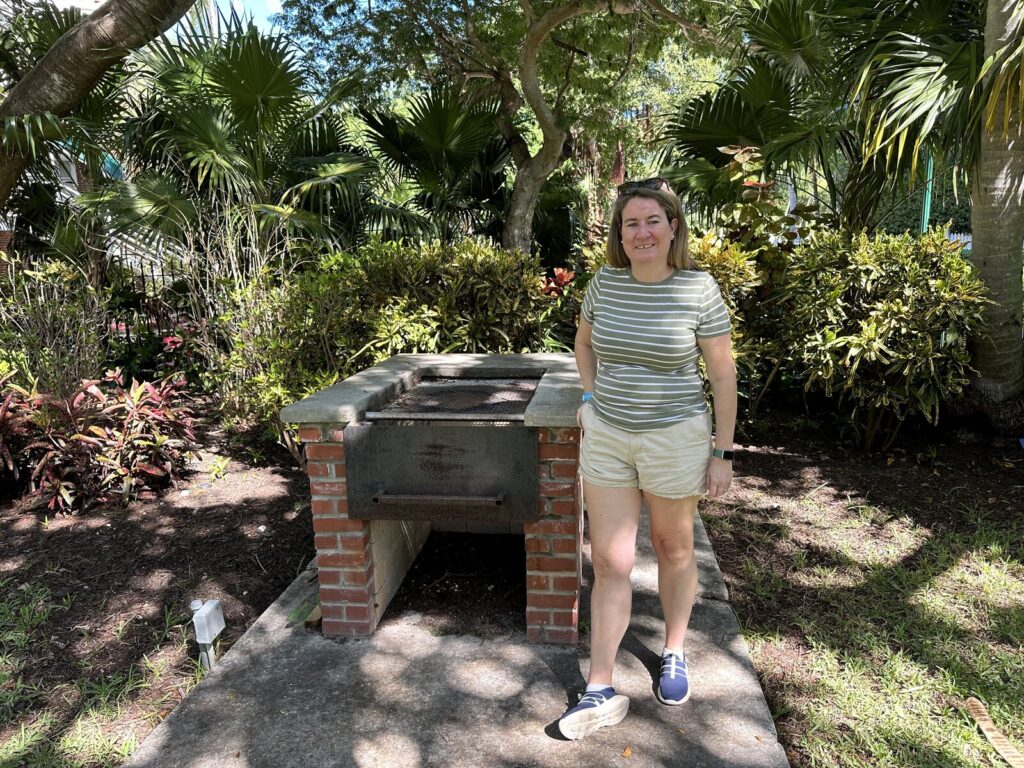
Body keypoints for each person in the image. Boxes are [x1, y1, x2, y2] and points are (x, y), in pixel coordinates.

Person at [558, 178, 737, 740]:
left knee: (672, 547)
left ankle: (674, 650)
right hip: (608, 437)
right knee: (610, 561)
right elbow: (583, 343)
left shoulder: (698, 288)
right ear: (620, 233)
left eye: (652, 221)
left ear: (672, 226)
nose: (642, 232)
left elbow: (722, 373)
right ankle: (599, 685)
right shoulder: (605, 282)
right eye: (631, 223)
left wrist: (722, 451)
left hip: (675, 438)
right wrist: (590, 399)